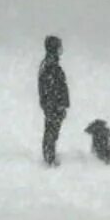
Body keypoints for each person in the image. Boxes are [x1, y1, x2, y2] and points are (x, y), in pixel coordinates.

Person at [39, 35, 70, 166]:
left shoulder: (50, 63)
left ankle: (49, 155)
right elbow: (53, 88)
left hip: (52, 104)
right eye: (59, 47)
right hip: (53, 105)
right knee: (51, 131)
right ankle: (49, 157)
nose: (61, 49)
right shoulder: (51, 65)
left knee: (51, 131)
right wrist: (58, 104)